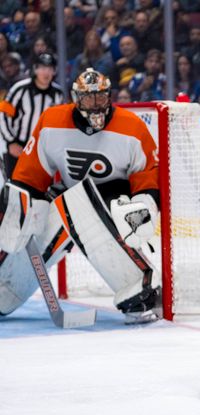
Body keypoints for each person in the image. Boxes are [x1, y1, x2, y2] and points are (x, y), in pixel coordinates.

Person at [0, 68, 161, 322]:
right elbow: (31, 176)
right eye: (88, 98)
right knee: (45, 214)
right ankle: (4, 293)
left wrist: (144, 206)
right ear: (76, 98)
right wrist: (20, 207)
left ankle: (139, 291)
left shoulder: (132, 127)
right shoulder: (52, 122)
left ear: (109, 97)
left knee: (77, 202)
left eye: (100, 97)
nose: (95, 104)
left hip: (115, 202)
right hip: (71, 196)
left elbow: (147, 175)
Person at [1, 53, 62, 181]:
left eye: (50, 69)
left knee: (41, 191)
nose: (46, 73)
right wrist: (11, 142)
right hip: (18, 147)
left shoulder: (58, 94)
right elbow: (3, 115)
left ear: (54, 71)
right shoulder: (19, 89)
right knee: (14, 188)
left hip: (42, 152)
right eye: (42, 68)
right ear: (35, 69)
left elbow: (60, 124)